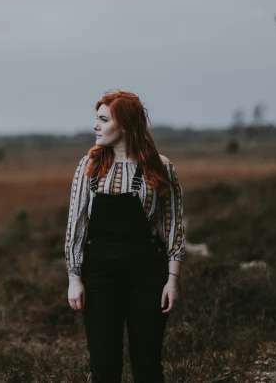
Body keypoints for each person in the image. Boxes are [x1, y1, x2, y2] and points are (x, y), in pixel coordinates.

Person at [64, 90, 185, 383]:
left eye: (104, 120)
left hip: (148, 275)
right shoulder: (88, 167)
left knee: (148, 365)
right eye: (97, 119)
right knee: (104, 366)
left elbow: (173, 225)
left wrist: (172, 280)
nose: (96, 126)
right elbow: (75, 226)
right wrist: (74, 278)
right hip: (99, 275)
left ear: (127, 126)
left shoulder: (161, 166)